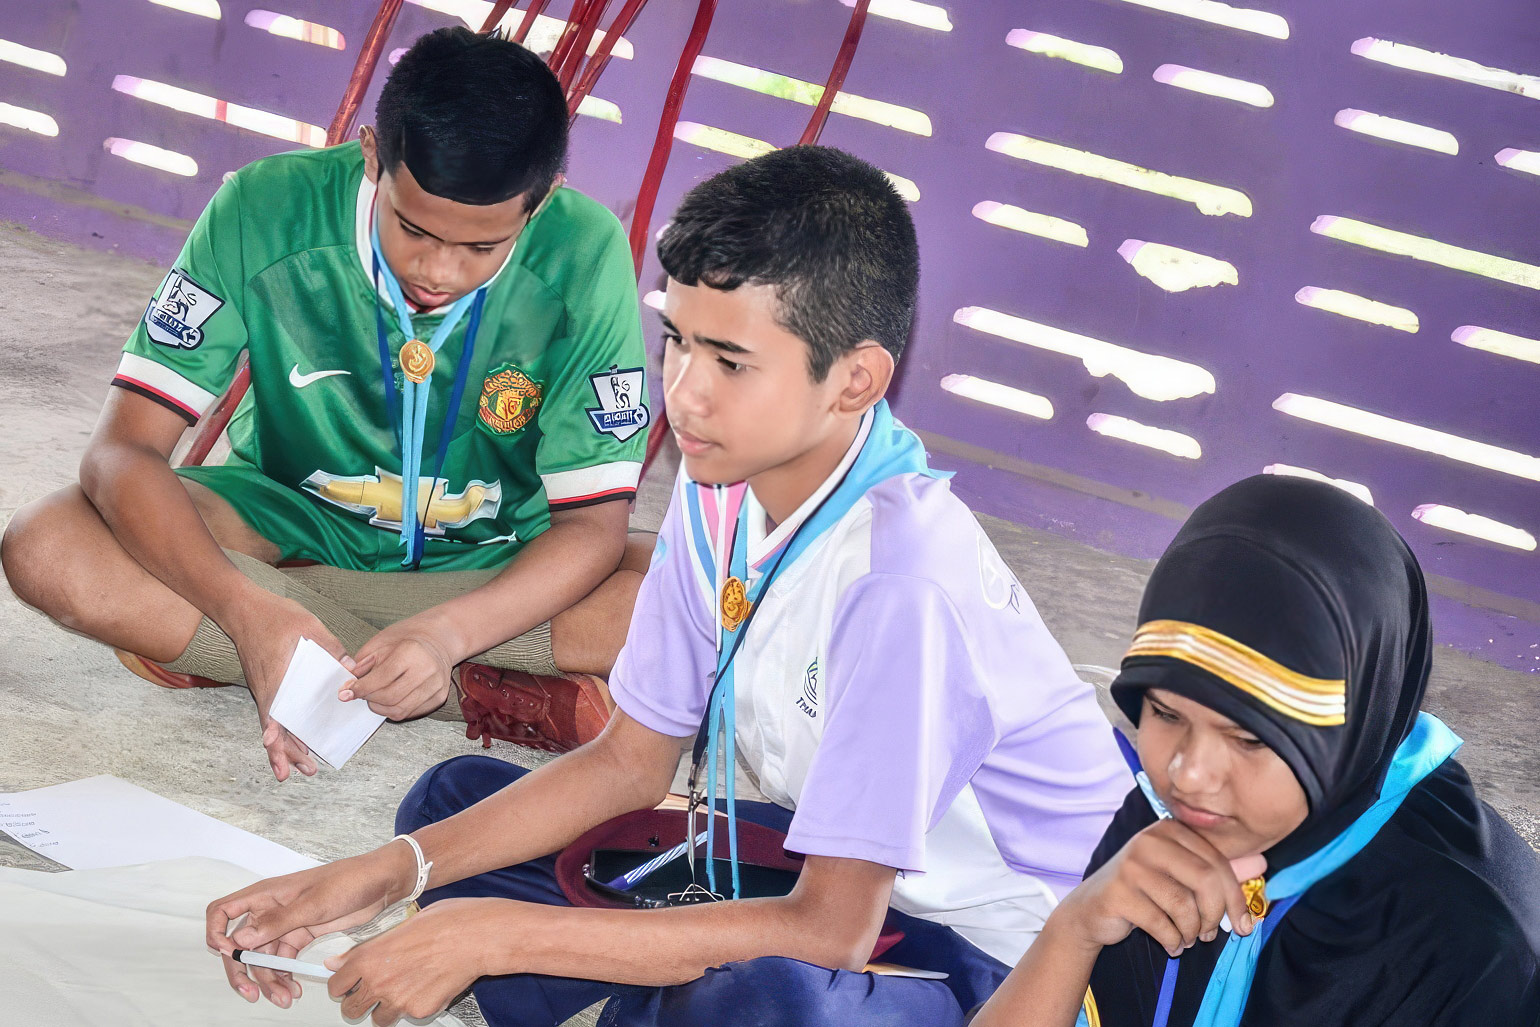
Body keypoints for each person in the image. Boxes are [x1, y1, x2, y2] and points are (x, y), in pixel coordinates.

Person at [202, 144, 1133, 1026]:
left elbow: (829, 930)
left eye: (731, 362)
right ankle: (624, 984)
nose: (682, 393)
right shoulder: (718, 480)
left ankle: (619, 983)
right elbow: (629, 761)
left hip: (994, 954)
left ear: (855, 381)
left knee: (771, 997)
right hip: (823, 867)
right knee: (447, 806)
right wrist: (384, 873)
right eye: (678, 341)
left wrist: (501, 932)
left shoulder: (900, 580)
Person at [0, 27, 654, 774]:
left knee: (683, 600)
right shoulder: (264, 206)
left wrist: (444, 631)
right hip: (286, 518)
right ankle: (464, 684)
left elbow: (594, 527)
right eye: (412, 227)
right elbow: (122, 451)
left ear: (542, 203)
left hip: (492, 556)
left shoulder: (586, 248)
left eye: (481, 248)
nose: (437, 270)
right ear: (373, 154)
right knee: (47, 542)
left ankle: (239, 640)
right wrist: (251, 611)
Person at [973, 475, 1540, 1027]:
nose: (1188, 775)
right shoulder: (1166, 824)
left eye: (1249, 739)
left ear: (1352, 726)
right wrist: (1073, 932)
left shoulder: (1468, 948)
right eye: (1166, 713)